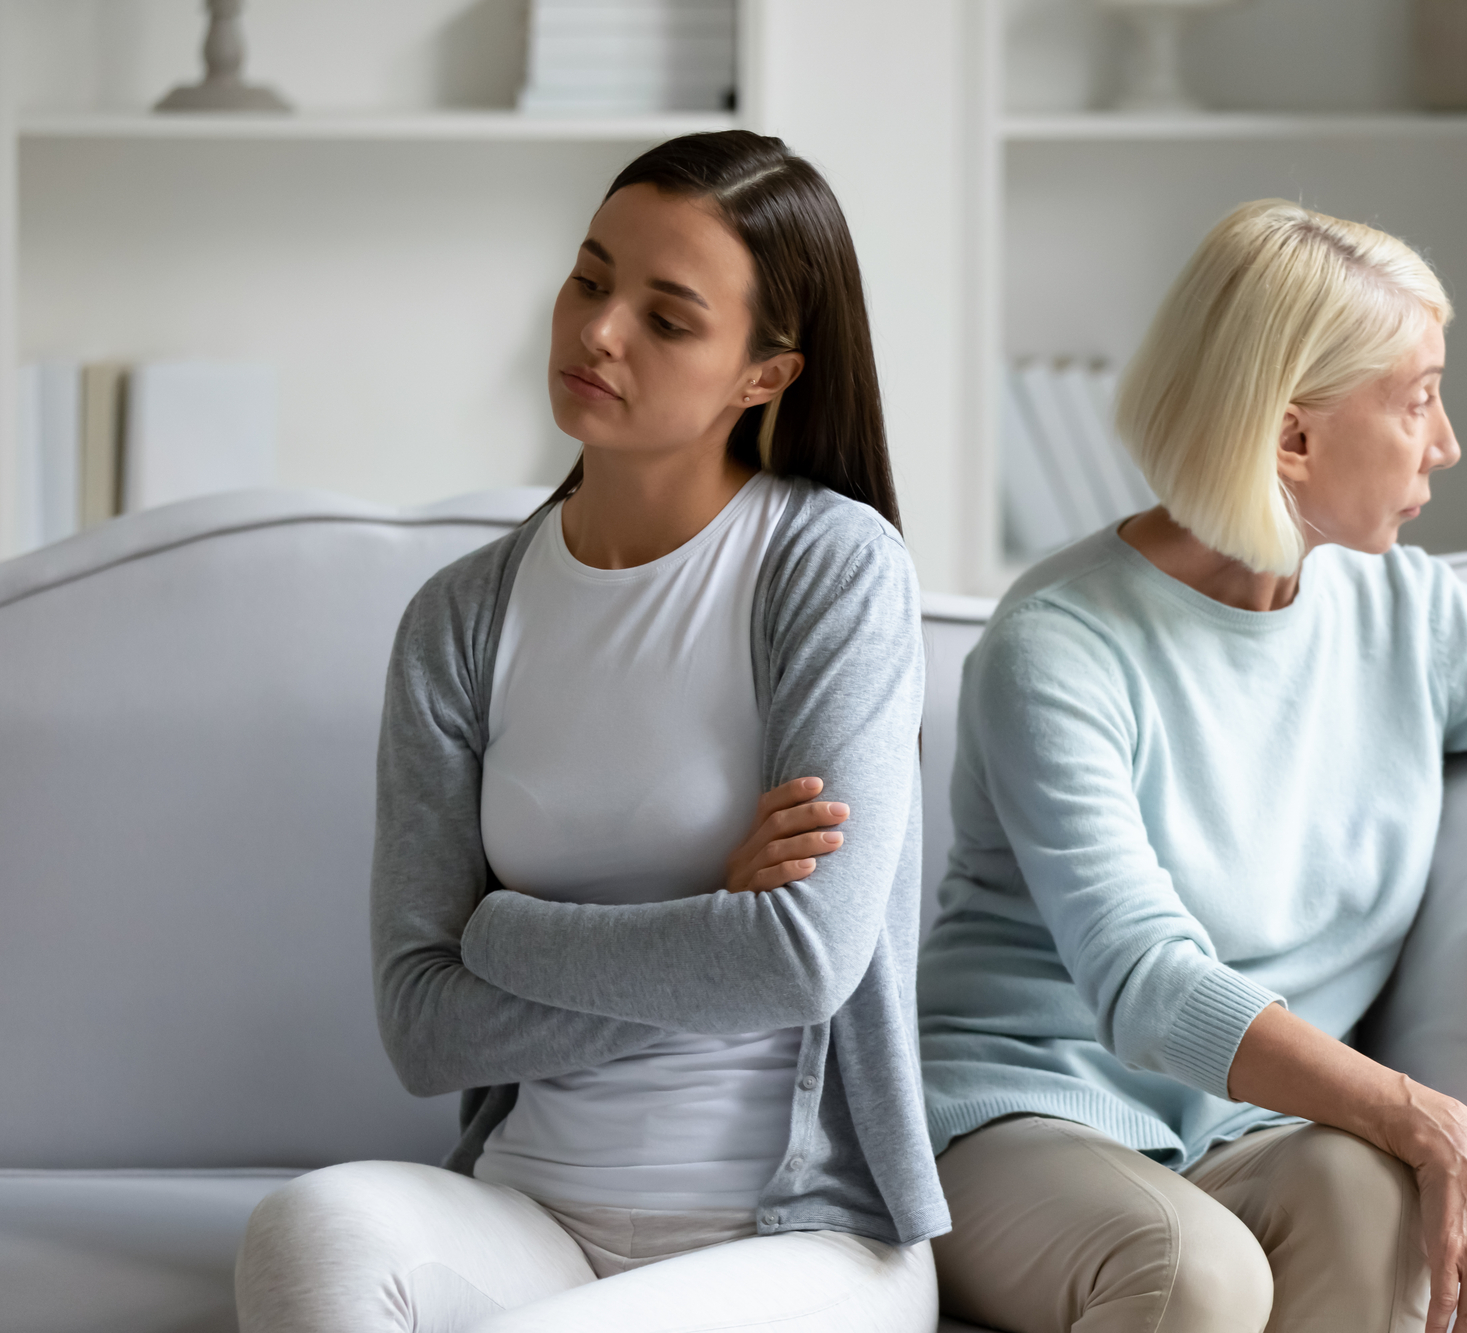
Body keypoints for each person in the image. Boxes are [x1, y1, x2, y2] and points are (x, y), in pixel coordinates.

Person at [918, 199, 1467, 1333]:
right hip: (1022, 1113)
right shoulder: (1057, 647)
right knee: (1195, 1274)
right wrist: (1434, 1120)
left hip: (1244, 1132)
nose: (1445, 442)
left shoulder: (1408, 614)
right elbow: (1148, 987)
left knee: (1376, 1208)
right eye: (1417, 399)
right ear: (1291, 437)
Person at [236, 131, 944, 1332]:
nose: (598, 331)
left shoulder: (831, 569)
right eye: (589, 277)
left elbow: (801, 960)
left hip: (798, 1236)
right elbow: (421, 1021)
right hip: (533, 1210)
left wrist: (506, 932)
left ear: (762, 376)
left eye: (667, 319)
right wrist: (708, 921)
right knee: (307, 1235)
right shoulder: (461, 617)